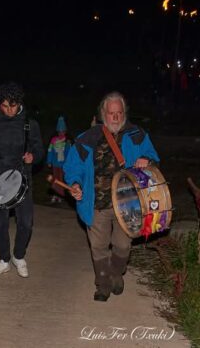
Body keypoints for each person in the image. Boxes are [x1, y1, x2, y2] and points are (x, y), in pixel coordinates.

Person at [64, 91, 159, 302]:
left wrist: (146, 159)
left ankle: (116, 272)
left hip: (129, 203)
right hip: (96, 201)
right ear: (102, 114)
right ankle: (103, 284)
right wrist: (75, 184)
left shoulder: (137, 135)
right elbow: (72, 168)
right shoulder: (86, 139)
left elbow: (153, 156)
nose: (115, 117)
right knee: (98, 245)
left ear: (124, 113)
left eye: (119, 112)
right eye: (111, 113)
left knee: (123, 245)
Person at [0, 82, 44, 278]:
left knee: (26, 223)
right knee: (1, 224)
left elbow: (39, 149)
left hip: (23, 179)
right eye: (5, 106)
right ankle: (4, 259)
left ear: (19, 103)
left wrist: (33, 156)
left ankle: (18, 256)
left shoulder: (30, 123)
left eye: (13, 106)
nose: (9, 110)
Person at [46, 116, 71, 204]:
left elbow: (69, 154)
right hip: (55, 164)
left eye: (63, 131)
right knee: (55, 179)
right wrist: (49, 161)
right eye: (60, 131)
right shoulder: (53, 140)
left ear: (65, 131)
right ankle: (55, 195)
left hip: (63, 165)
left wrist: (69, 164)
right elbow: (50, 151)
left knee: (61, 180)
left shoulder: (67, 142)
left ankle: (60, 196)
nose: (61, 133)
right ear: (57, 131)